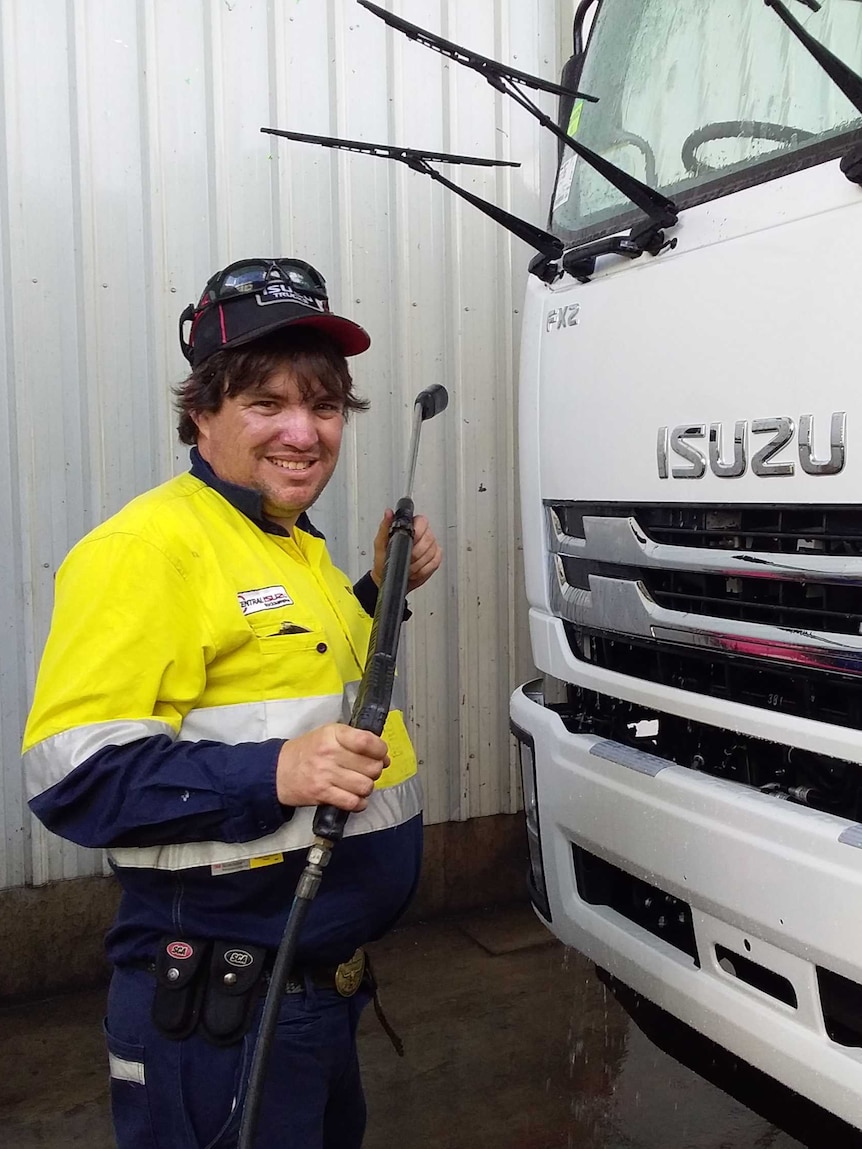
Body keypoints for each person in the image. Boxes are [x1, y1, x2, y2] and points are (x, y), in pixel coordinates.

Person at [22, 257, 442, 1149]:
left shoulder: (290, 544)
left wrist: (379, 587)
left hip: (318, 997)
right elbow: (77, 779)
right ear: (202, 412)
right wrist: (280, 771)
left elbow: (300, 687)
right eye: (267, 403)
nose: (304, 432)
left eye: (324, 407)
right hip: (225, 1016)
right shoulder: (148, 548)